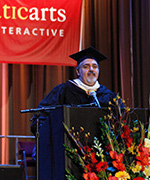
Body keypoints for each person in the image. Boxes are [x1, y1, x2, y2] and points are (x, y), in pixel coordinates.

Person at [31, 46, 116, 133]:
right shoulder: (64, 91)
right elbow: (42, 117)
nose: (91, 69)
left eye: (95, 67)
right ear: (78, 71)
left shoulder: (107, 95)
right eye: (86, 67)